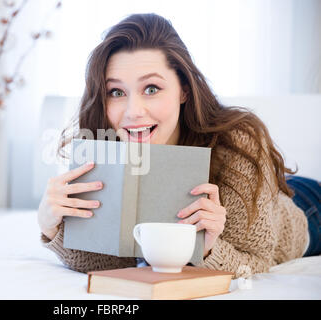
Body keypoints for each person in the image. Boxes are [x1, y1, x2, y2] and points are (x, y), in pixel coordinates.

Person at [37, 13, 320, 278]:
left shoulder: (237, 143)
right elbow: (112, 261)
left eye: (151, 89)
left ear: (183, 89)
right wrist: (51, 227)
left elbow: (255, 262)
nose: (133, 111)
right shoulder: (105, 146)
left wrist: (208, 249)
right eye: (117, 92)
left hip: (303, 207)